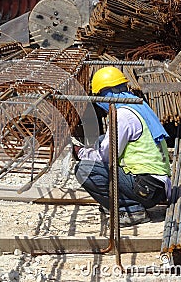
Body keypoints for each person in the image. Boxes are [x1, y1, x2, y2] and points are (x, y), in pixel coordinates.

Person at [73, 66, 172, 227]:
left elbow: (106, 155)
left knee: (85, 169)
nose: (100, 102)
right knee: (101, 139)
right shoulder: (137, 105)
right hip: (156, 184)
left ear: (107, 93)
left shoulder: (123, 115)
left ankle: (132, 210)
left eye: (100, 96)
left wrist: (81, 152)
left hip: (147, 187)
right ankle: (126, 203)